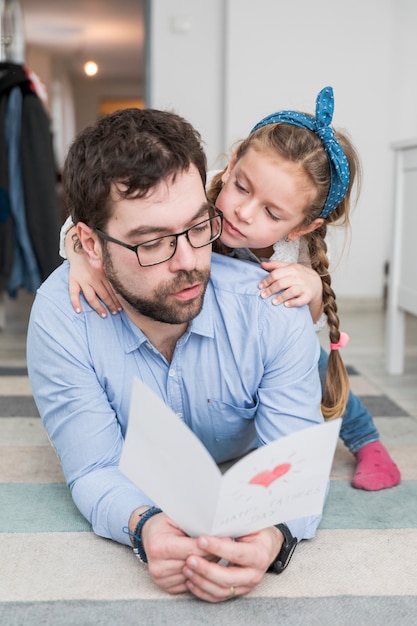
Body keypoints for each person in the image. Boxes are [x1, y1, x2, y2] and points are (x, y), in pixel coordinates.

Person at [27, 107, 325, 604]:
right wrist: (144, 526)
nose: (189, 262)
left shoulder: (273, 307)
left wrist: (274, 533)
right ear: (89, 245)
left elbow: (294, 458)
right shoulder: (62, 317)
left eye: (197, 228)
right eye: (152, 243)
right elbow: (95, 466)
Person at [61, 87, 400, 491]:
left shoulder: (294, 251)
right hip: (192, 316)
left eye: (271, 212)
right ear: (234, 160)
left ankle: (367, 441)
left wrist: (309, 291)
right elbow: (91, 220)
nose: (242, 210)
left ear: (301, 226)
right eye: (241, 186)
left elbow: (294, 335)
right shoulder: (193, 190)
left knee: (318, 367)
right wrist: (79, 254)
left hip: (259, 336)